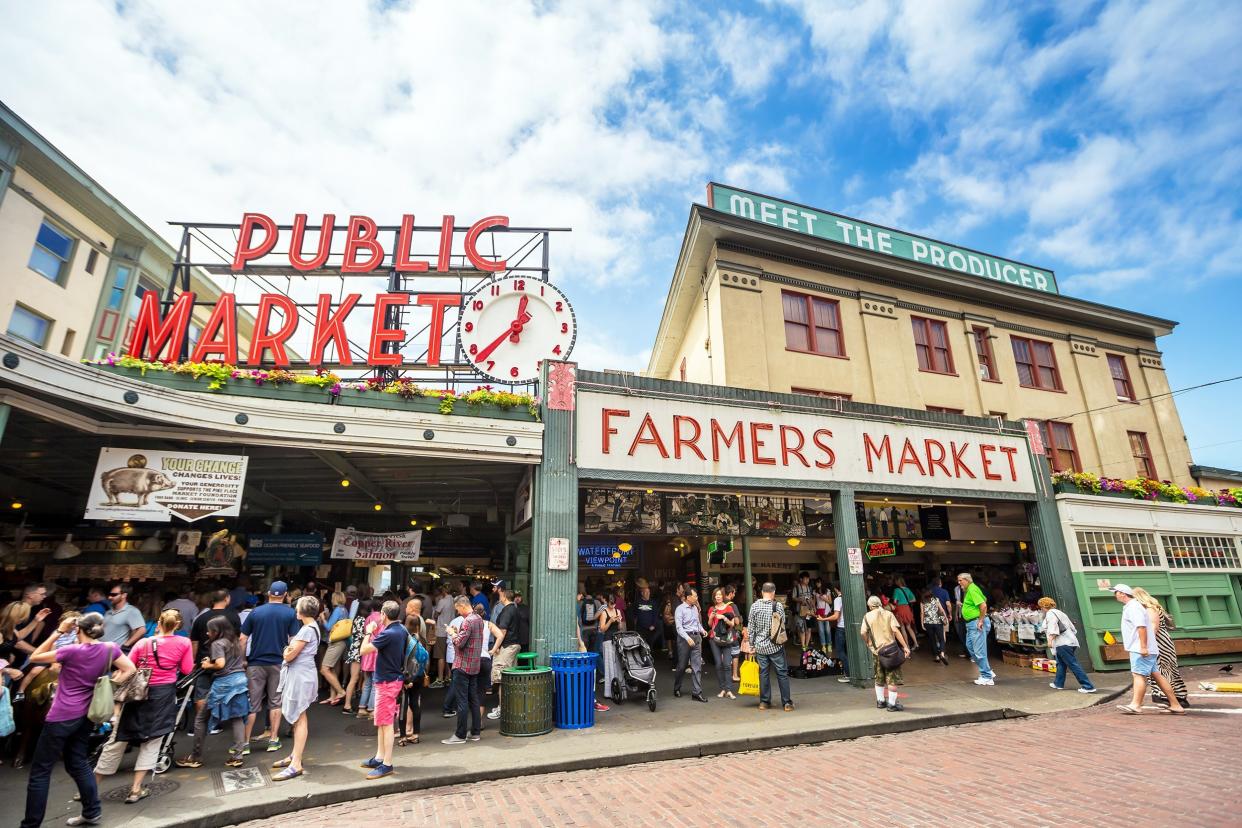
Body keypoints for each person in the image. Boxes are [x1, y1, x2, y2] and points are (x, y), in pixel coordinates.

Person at [21, 612, 136, 828]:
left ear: (78, 629)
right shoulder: (110, 648)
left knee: (40, 772)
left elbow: (35, 657)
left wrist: (59, 631)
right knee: (78, 763)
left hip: (61, 715)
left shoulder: (71, 650)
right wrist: (109, 686)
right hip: (86, 715)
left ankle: (30, 824)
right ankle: (92, 812)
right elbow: (130, 669)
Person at [94, 608, 193, 803]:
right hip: (163, 694)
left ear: (159, 623)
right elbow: (187, 669)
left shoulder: (143, 642)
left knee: (118, 739)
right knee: (152, 741)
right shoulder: (184, 642)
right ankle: (135, 789)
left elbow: (129, 667)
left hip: (139, 693)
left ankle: (89, 788)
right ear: (178, 625)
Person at [176, 615, 250, 769]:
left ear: (216, 631)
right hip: (240, 681)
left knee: (201, 719)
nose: (207, 634)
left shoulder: (217, 643)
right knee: (237, 718)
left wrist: (207, 665)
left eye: (209, 631)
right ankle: (237, 756)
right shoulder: (234, 641)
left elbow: (220, 664)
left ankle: (195, 756)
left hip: (224, 684)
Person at [240, 580, 300, 751]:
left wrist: (243, 660)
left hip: (255, 663)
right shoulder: (290, 613)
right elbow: (292, 640)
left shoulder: (255, 612)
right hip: (278, 663)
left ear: (268, 594)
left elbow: (242, 639)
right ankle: (273, 740)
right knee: (275, 702)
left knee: (252, 703)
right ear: (286, 595)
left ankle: (245, 743)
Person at [267, 596, 321, 781]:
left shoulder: (306, 630)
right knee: (300, 717)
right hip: (304, 674)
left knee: (299, 718)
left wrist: (286, 650)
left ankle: (296, 762)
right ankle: (295, 755)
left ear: (301, 611)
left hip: (300, 676)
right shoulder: (313, 627)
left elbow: (289, 656)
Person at [1112, 585, 1185, 715]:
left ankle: (1136, 705)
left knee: (1138, 675)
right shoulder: (1134, 606)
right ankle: (1175, 704)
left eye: (1116, 592)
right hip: (1144, 647)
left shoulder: (1133, 607)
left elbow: (1141, 627)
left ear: (1123, 594)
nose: (1115, 595)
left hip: (1139, 647)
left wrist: (1143, 647)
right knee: (1157, 675)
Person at [359, 600, 405, 779]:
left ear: (384, 615)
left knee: (386, 724)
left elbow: (364, 650)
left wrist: (368, 632)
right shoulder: (400, 630)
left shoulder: (388, 633)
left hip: (387, 682)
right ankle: (380, 756)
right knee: (381, 721)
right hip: (391, 679)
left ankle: (387, 763)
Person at [188, 589, 240, 733]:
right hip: (227, 662)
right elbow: (237, 640)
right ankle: (215, 723)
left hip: (204, 661)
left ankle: (201, 724)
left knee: (202, 694)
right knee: (226, 693)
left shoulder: (201, 618)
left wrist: (193, 660)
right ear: (227, 599)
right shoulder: (233, 617)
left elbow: (194, 642)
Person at [1130, 588, 1187, 708]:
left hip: (1159, 643)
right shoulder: (1150, 608)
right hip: (1159, 642)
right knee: (1161, 670)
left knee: (1163, 670)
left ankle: (1171, 699)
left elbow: (1153, 627)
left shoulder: (1150, 609)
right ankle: (1173, 700)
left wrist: (1145, 645)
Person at [442, 596, 483, 745]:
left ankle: (460, 735)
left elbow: (459, 643)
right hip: (474, 665)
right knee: (474, 699)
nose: (457, 612)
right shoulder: (478, 618)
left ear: (462, 605)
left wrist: (451, 633)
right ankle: (475, 732)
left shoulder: (468, 621)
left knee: (462, 701)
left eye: (457, 609)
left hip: (463, 665)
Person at [745, 582, 793, 711]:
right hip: (775, 646)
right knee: (782, 673)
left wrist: (751, 645)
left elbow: (751, 627)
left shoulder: (754, 606)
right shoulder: (778, 606)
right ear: (773, 592)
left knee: (763, 674)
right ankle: (787, 703)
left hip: (760, 647)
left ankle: (764, 702)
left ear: (762, 592)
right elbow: (783, 623)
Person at [860, 595, 909, 712]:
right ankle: (892, 704)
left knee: (879, 676)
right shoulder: (888, 614)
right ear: (880, 604)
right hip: (891, 650)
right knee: (891, 678)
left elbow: (863, 632)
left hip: (877, 651)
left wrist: (869, 643)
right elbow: (896, 630)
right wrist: (905, 646)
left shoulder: (867, 616)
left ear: (870, 606)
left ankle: (880, 701)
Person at [1038, 597, 1095, 694]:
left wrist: (1050, 640)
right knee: (1061, 663)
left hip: (1062, 643)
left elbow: (1053, 627)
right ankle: (1058, 683)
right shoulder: (1060, 613)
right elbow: (1073, 629)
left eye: (1041, 607)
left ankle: (1088, 686)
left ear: (1044, 606)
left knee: (1073, 664)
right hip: (1070, 641)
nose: (1041, 609)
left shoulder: (1050, 614)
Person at [486, 589, 520, 720]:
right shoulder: (514, 609)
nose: (498, 596)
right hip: (512, 646)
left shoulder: (507, 610)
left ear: (504, 596)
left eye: (500, 594)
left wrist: (495, 648)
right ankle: (506, 707)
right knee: (508, 679)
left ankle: (502, 709)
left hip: (506, 647)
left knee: (501, 679)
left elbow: (502, 631)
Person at [958, 573, 995, 686]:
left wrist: (980, 620)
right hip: (972, 624)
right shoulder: (972, 589)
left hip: (976, 623)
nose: (959, 583)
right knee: (971, 647)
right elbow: (984, 599)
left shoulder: (972, 589)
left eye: (960, 580)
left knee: (979, 651)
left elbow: (983, 605)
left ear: (966, 580)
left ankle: (987, 676)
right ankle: (987, 671)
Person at [673, 588, 707, 702]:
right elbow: (679, 627)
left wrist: (702, 630)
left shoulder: (695, 608)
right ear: (688, 597)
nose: (697, 598)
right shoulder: (680, 609)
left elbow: (697, 623)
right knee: (682, 666)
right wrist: (687, 638)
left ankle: (697, 692)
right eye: (695, 596)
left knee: (697, 666)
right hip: (684, 638)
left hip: (696, 637)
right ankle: (677, 687)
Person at [398, 614, 427, 746]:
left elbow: (401, 660)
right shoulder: (420, 639)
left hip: (407, 677)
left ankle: (403, 737)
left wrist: (406, 679)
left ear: (405, 623)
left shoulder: (404, 639)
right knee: (415, 704)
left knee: (403, 706)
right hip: (419, 676)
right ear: (417, 626)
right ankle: (416, 734)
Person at [707, 588, 739, 699]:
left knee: (726, 664)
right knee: (718, 665)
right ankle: (722, 689)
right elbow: (710, 625)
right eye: (716, 595)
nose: (718, 597)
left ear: (723, 596)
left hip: (727, 639)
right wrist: (711, 617)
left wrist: (724, 617)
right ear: (714, 597)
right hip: (714, 639)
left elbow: (732, 624)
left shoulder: (729, 608)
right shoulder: (712, 608)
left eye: (720, 595)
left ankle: (729, 690)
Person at [318, 590, 349, 705]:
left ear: (335, 599)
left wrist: (323, 617)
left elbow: (328, 627)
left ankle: (340, 692)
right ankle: (332, 696)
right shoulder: (344, 609)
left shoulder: (337, 610)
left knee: (324, 669)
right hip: (342, 641)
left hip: (336, 642)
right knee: (331, 669)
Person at [341, 598, 371, 713]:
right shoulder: (363, 620)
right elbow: (363, 636)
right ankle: (349, 705)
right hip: (360, 650)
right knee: (358, 678)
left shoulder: (357, 618)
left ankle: (349, 705)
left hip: (355, 650)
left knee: (355, 678)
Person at [357, 600, 383, 720]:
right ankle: (372, 709)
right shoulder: (382, 618)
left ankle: (361, 708)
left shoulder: (368, 618)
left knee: (367, 683)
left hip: (366, 652)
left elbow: (365, 632)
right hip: (375, 653)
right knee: (374, 684)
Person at [597, 592, 625, 701]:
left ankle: (620, 688)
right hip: (607, 640)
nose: (612, 606)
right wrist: (610, 621)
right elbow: (602, 629)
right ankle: (609, 692)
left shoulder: (617, 611)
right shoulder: (604, 613)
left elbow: (620, 627)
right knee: (609, 665)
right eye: (611, 604)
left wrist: (619, 621)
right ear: (607, 602)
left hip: (617, 639)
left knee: (618, 663)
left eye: (614, 604)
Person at [103, 584, 146, 652]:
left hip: (115, 654)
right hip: (102, 652)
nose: (109, 597)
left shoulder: (131, 611)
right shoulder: (108, 612)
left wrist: (126, 645)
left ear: (124, 595)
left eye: (114, 595)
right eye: (110, 594)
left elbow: (142, 630)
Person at [431, 587, 455, 688]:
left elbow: (436, 614)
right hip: (451, 630)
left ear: (443, 592)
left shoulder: (442, 601)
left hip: (441, 630)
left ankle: (440, 679)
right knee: (449, 654)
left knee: (441, 656)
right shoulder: (454, 600)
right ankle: (448, 677)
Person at [632, 583, 663, 656]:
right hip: (640, 628)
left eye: (649, 592)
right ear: (642, 593)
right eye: (646, 592)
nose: (648, 594)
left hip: (650, 629)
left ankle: (649, 661)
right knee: (641, 645)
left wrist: (653, 625)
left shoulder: (653, 603)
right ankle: (642, 660)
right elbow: (634, 614)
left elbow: (656, 615)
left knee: (649, 646)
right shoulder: (637, 602)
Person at [920, 588, 949, 665]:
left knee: (932, 640)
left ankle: (936, 656)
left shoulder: (923, 602)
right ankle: (942, 654)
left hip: (928, 623)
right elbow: (941, 609)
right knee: (941, 639)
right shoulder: (936, 599)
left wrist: (922, 623)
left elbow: (922, 613)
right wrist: (945, 618)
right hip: (937, 622)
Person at [890, 577, 919, 652]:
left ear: (898, 582)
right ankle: (916, 643)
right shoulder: (908, 589)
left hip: (900, 609)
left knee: (902, 628)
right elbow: (914, 599)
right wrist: (906, 601)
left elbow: (895, 601)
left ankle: (907, 646)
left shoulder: (896, 590)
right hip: (907, 609)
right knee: (909, 627)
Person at [790, 572, 815, 650]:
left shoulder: (809, 588)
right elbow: (793, 598)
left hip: (809, 612)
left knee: (809, 629)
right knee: (802, 629)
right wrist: (800, 600)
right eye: (805, 578)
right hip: (800, 612)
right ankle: (803, 646)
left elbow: (811, 598)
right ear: (801, 579)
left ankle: (807, 645)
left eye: (808, 578)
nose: (807, 580)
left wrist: (813, 607)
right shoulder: (796, 588)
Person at [579, 590, 601, 658]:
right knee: (593, 651)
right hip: (594, 628)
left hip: (584, 629)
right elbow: (601, 614)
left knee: (585, 651)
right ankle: (593, 667)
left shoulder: (581, 602)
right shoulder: (597, 602)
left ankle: (586, 666)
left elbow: (579, 616)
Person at [814, 581, 833, 654]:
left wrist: (824, 599)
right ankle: (823, 645)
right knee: (821, 630)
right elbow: (814, 602)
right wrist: (814, 609)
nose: (817, 584)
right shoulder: (815, 591)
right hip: (819, 612)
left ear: (822, 583)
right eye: (817, 582)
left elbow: (830, 602)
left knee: (827, 629)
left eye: (819, 582)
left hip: (826, 612)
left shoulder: (827, 591)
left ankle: (829, 644)